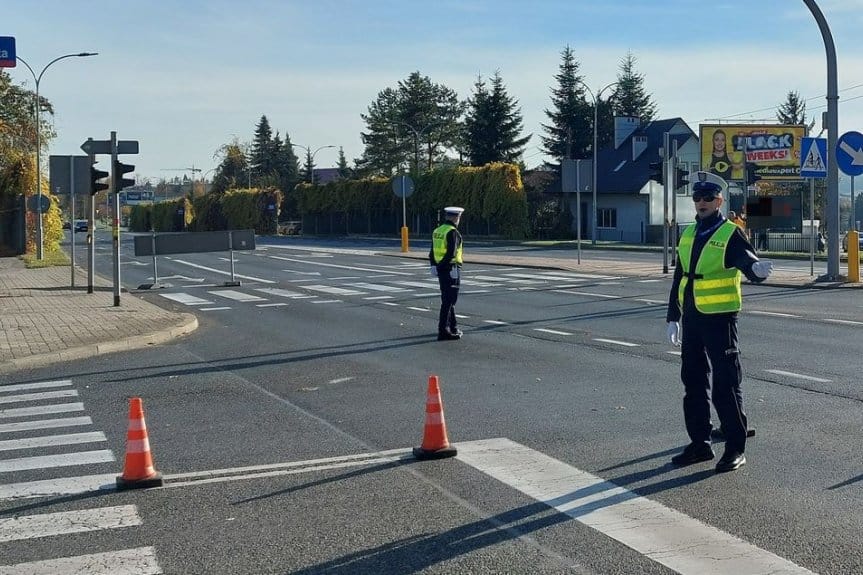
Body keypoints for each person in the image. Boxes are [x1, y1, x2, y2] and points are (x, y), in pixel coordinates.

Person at [666, 171, 774, 473]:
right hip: (692, 318)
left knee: (725, 385)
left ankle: (735, 447)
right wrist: (673, 317)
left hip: (720, 319)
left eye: (708, 198)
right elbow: (680, 276)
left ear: (719, 201)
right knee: (693, 382)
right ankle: (699, 444)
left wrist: (756, 270)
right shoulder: (688, 233)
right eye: (697, 198)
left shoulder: (730, 232)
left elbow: (746, 260)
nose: (701, 202)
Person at [429, 207, 465, 341]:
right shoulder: (453, 232)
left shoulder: (437, 231)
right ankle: (443, 330)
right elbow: (452, 253)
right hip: (451, 269)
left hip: (441, 270)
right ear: (456, 217)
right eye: (459, 217)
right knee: (449, 301)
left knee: (447, 299)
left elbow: (432, 251)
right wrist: (442, 267)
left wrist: (434, 265)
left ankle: (453, 326)